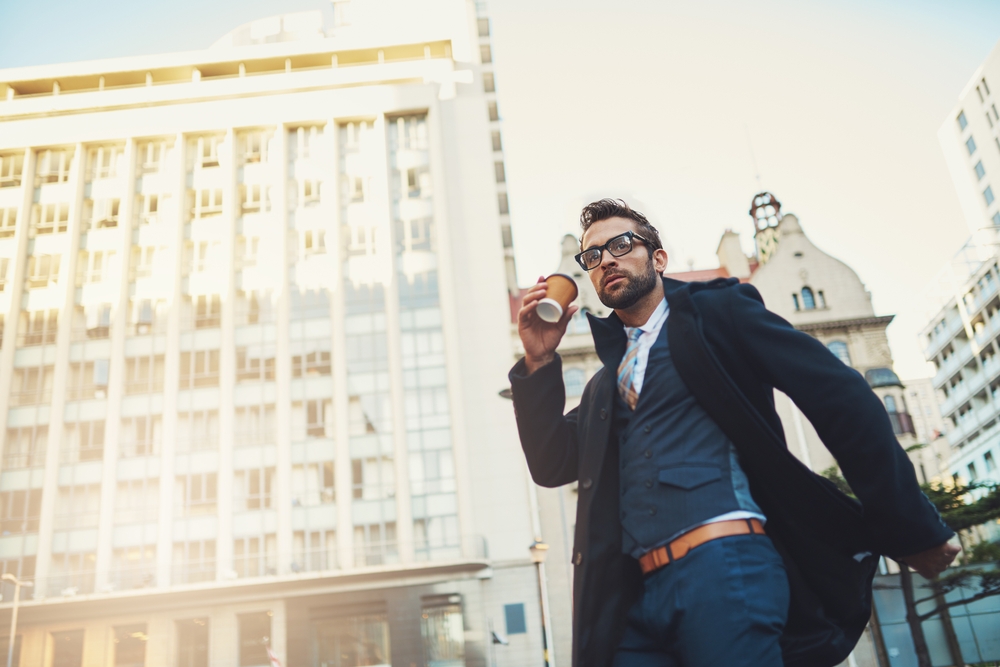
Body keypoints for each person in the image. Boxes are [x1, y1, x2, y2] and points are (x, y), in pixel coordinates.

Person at [509, 199, 959, 667]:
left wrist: (909, 528)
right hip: (635, 600)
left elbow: (842, 397)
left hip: (725, 567)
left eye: (621, 244)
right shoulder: (608, 381)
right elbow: (551, 462)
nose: (607, 260)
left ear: (658, 258)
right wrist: (539, 361)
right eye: (593, 255)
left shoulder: (719, 314)